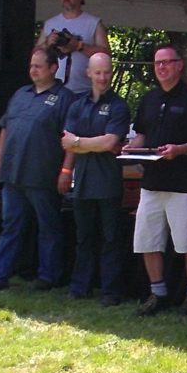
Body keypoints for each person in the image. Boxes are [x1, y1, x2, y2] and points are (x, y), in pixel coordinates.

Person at [0, 48, 75, 293]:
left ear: (53, 68)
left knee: (48, 226)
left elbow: (71, 137)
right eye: (31, 66)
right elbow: (5, 129)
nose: (33, 70)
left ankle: (48, 276)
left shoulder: (64, 98)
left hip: (42, 174)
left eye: (39, 66)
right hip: (12, 173)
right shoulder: (20, 94)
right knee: (11, 225)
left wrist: (66, 170)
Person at [126, 45, 187, 316]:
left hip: (183, 184)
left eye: (167, 62)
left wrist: (180, 149)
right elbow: (142, 135)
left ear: (179, 66)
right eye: (157, 63)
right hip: (152, 183)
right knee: (147, 241)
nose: (162, 67)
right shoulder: (149, 99)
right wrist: (131, 148)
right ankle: (158, 294)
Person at [58, 52, 131, 306]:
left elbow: (110, 141)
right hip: (84, 185)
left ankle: (111, 291)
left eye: (107, 72)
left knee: (111, 239)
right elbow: (67, 143)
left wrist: (80, 142)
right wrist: (91, 146)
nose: (103, 77)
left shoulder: (119, 106)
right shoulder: (77, 105)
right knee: (84, 238)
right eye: (98, 72)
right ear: (88, 73)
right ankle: (80, 287)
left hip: (109, 184)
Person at [35, 0, 110, 94]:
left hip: (84, 92)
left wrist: (79, 46)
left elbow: (106, 55)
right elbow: (35, 54)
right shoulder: (50, 24)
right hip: (54, 92)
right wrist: (47, 43)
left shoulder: (93, 23)